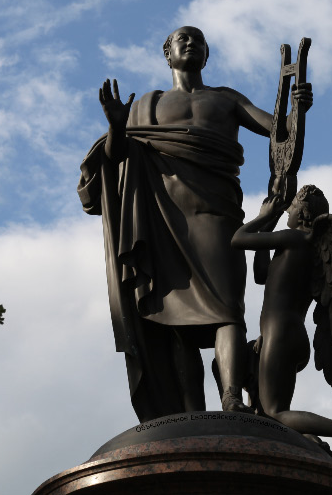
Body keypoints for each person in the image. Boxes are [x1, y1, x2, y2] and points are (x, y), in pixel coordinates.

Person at [78, 26, 311, 421]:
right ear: (167, 53)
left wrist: (297, 109)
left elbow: (278, 131)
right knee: (175, 322)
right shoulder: (145, 105)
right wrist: (117, 125)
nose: (190, 43)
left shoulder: (225, 99)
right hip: (164, 223)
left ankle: (232, 397)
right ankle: (189, 413)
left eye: (198, 41)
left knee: (227, 310)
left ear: (207, 55)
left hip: (216, 218)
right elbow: (116, 158)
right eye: (181, 39)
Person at [231, 186, 332, 468]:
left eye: (291, 208)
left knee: (274, 412)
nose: (288, 212)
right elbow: (260, 274)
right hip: (287, 336)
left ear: (302, 213)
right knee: (267, 410)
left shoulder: (294, 238)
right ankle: (310, 442)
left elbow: (238, 239)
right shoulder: (301, 248)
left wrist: (263, 216)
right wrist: (270, 222)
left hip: (280, 334)